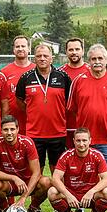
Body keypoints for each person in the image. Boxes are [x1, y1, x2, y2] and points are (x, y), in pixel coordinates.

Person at [67, 43, 107, 212]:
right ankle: (79, 211)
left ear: (106, 60)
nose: (97, 62)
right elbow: (73, 108)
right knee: (80, 176)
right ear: (89, 60)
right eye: (93, 59)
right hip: (84, 141)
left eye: (100, 58)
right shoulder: (79, 81)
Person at [16, 44, 70, 173]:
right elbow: (19, 101)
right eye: (39, 56)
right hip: (34, 134)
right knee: (35, 174)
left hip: (57, 133)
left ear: (52, 58)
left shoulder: (63, 77)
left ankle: (56, 194)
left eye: (45, 55)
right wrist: (33, 111)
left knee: (58, 173)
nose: (42, 58)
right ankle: (36, 194)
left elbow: (69, 101)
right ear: (34, 59)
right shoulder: (26, 78)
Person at [0, 115, 51, 212]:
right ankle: (4, 209)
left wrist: (24, 197)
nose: (9, 133)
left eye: (12, 129)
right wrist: (14, 178)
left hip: (26, 182)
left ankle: (34, 208)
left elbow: (36, 172)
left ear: (18, 129)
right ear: (1, 130)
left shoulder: (27, 143)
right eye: (5, 130)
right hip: (8, 183)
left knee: (46, 182)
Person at [48, 128, 107, 212]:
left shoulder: (97, 156)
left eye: (84, 140)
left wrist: (91, 192)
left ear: (90, 141)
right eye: (78, 141)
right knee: (52, 192)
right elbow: (55, 179)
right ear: (73, 141)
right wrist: (68, 194)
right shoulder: (66, 156)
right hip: (72, 194)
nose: (81, 144)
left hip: (90, 195)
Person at [58, 38, 90, 148]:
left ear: (83, 51)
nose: (74, 52)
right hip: (64, 126)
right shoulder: (59, 73)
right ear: (66, 52)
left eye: (77, 49)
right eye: (71, 49)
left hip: (86, 127)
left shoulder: (90, 71)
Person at [0, 35, 35, 136]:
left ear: (28, 48)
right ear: (13, 49)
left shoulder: (37, 70)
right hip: (11, 124)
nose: (20, 49)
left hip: (32, 123)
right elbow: (2, 100)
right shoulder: (5, 72)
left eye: (23, 46)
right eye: (17, 46)